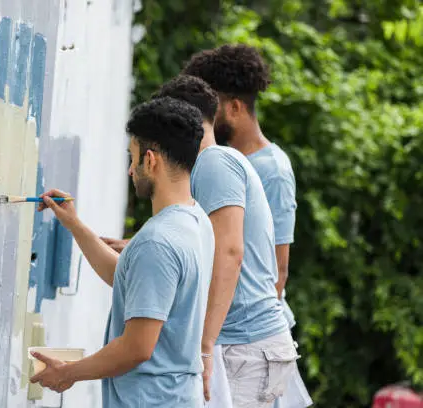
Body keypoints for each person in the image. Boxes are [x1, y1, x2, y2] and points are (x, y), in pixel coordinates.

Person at [103, 74, 300, 408]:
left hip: (244, 343)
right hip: (245, 342)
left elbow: (230, 252)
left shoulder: (213, 162)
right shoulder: (214, 165)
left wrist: (204, 347)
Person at [30, 97, 215, 407]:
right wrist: (74, 225)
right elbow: (128, 280)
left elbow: (136, 348)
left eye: (133, 158)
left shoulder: (157, 241)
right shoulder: (197, 221)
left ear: (151, 161)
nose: (131, 170)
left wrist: (68, 373)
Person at [183, 44, 312, 408]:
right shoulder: (218, 162)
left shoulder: (272, 170)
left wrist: (217, 343)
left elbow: (276, 271)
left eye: (211, 109)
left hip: (248, 342)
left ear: (235, 108)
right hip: (224, 337)